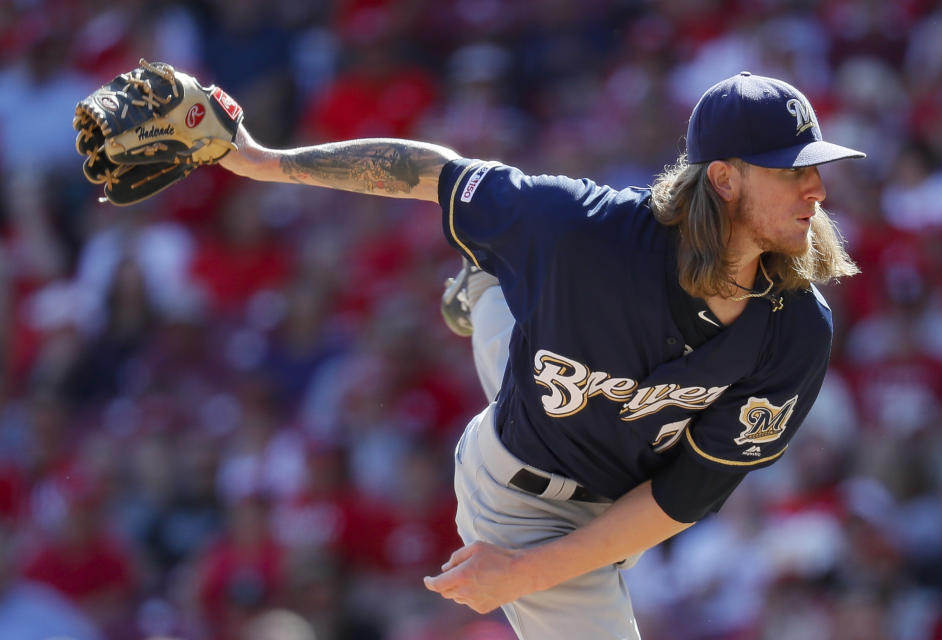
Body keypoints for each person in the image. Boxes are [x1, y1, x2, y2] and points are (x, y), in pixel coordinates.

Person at [219, 71, 865, 639]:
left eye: (814, 169)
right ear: (723, 179)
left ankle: (486, 287)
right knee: (552, 344)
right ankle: (491, 279)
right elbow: (430, 173)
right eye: (791, 171)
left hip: (594, 446)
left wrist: (521, 578)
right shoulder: (584, 231)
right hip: (528, 500)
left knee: (540, 353)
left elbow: (679, 499)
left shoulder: (796, 330)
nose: (816, 189)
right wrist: (261, 162)